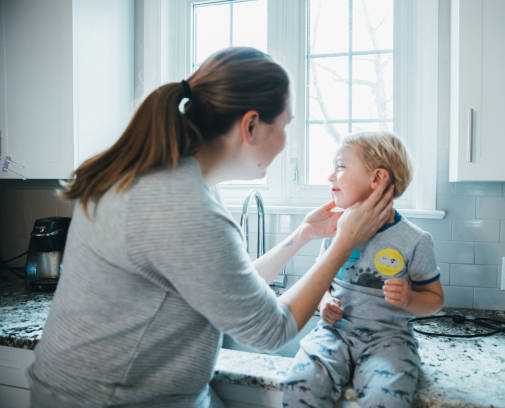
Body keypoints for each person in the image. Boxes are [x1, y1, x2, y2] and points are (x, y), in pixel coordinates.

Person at [27, 47, 395, 408]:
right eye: (285, 125)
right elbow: (271, 330)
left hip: (96, 388)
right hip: (106, 399)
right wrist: (343, 243)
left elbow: (229, 288)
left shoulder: (173, 178)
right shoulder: (186, 207)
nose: (287, 141)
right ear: (250, 125)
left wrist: (304, 236)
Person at [281, 131, 444, 408]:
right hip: (334, 334)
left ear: (377, 179)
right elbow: (323, 282)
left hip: (389, 340)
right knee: (300, 384)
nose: (330, 177)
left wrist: (409, 299)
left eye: (341, 166)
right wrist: (324, 303)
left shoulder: (414, 240)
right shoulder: (338, 229)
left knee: (387, 399)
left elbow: (435, 299)